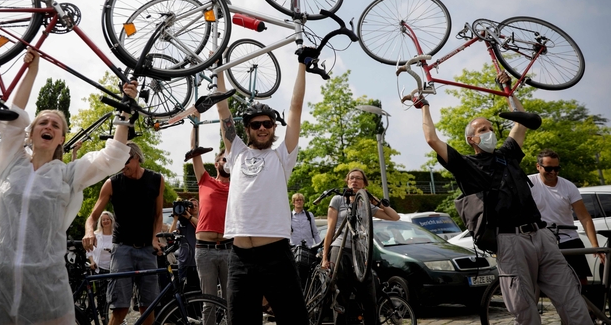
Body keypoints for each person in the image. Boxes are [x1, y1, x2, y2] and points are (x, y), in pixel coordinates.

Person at [0, 48, 134, 325]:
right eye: (42, 122)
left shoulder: (69, 174)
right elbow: (12, 119)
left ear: (61, 138)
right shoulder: (11, 162)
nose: (48, 125)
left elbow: (112, 157)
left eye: (55, 125)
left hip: (45, 282)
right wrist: (32, 70)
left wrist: (125, 108)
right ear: (31, 133)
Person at [415, 71, 592, 325]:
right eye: (482, 129)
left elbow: (523, 122)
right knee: (524, 309)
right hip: (510, 241)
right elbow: (432, 138)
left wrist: (509, 89)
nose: (489, 132)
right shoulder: (466, 165)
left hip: (542, 235)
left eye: (490, 127)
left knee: (572, 300)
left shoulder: (506, 153)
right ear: (471, 139)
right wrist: (424, 106)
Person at [216, 47, 319, 324]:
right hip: (238, 256)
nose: (263, 128)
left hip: (275, 254)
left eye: (268, 124)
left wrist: (302, 65)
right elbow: (223, 108)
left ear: (274, 127)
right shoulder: (235, 151)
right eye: (256, 124)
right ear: (247, 128)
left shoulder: (281, 155)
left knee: (294, 320)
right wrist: (219, 68)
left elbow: (296, 108)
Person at [83, 141, 165, 325]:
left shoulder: (156, 179)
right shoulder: (112, 183)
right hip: (122, 250)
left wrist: (155, 237)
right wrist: (89, 231)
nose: (121, 167)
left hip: (147, 250)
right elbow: (92, 216)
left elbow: (159, 215)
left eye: (125, 162)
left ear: (136, 158)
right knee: (119, 307)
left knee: (148, 306)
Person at [321, 169, 399, 324]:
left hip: (361, 251)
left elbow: (394, 217)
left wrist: (375, 201)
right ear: (347, 182)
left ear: (364, 184)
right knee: (341, 292)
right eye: (351, 178)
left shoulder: (367, 205)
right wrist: (325, 257)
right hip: (340, 247)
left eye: (358, 178)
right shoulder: (338, 200)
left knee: (369, 293)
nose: (354, 181)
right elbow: (330, 230)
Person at [528, 149, 604, 284]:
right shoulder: (528, 183)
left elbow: (584, 217)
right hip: (540, 240)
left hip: (568, 238)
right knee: (542, 283)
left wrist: (595, 245)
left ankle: (583, 304)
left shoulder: (568, 186)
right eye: (549, 168)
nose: (553, 172)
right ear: (538, 167)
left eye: (557, 169)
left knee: (580, 282)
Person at [190, 116, 231, 305]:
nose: (227, 161)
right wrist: (195, 122)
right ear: (216, 164)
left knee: (231, 300)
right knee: (209, 301)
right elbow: (194, 152)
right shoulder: (205, 180)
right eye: (224, 159)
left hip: (228, 249)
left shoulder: (238, 185)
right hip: (204, 249)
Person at [86, 211, 115, 322]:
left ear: (111, 221)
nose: (106, 221)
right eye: (103, 219)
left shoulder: (115, 235)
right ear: (101, 222)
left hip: (113, 268)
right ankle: (103, 318)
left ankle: (113, 317)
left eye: (108, 219)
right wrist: (92, 261)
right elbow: (89, 251)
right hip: (99, 269)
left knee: (113, 295)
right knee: (101, 295)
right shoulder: (96, 235)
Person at [169, 198, 200, 292]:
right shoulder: (182, 222)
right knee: (184, 291)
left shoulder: (201, 221)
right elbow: (171, 236)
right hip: (184, 262)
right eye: (191, 205)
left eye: (196, 205)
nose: (193, 207)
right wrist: (175, 219)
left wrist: (189, 217)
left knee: (199, 290)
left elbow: (201, 227)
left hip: (198, 262)